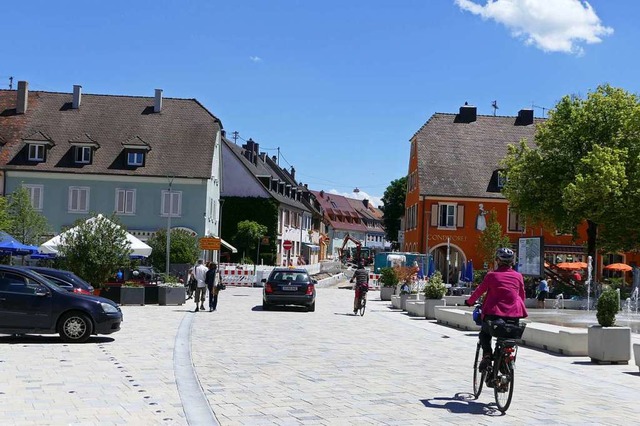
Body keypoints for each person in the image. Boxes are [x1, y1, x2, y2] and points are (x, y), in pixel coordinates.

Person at [464, 248, 528, 372]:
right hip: (514, 314)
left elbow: (480, 290)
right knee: (510, 336)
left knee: (484, 333)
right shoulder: (518, 276)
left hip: (494, 313)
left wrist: (469, 302)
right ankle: (506, 358)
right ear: (512, 262)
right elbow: (522, 295)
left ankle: (487, 354)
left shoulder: (491, 275)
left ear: (497, 260)